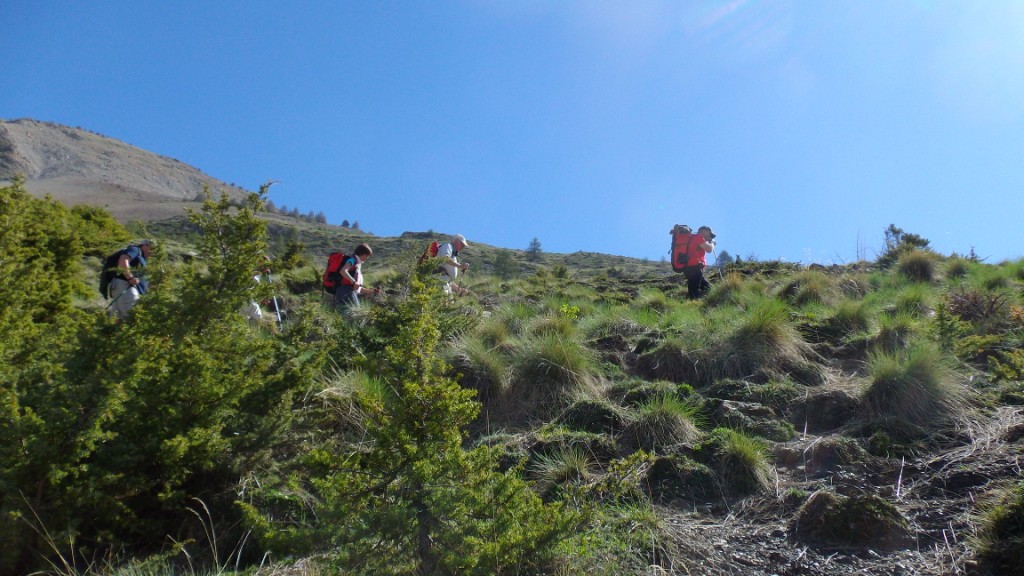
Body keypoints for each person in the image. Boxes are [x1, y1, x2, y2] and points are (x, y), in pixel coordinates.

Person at [107, 239, 154, 320]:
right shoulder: (135, 250)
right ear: (144, 246)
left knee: (118, 319)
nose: (153, 251)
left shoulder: (142, 259)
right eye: (151, 247)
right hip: (125, 286)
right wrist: (130, 277)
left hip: (125, 288)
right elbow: (123, 260)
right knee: (132, 317)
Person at [334, 243, 379, 307]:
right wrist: (354, 281)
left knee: (349, 314)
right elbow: (343, 271)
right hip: (345, 291)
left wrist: (370, 291)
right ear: (362, 253)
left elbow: (356, 287)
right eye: (367, 255)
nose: (367, 258)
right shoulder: (352, 260)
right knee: (355, 312)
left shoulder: (357, 264)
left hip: (345, 291)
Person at [682, 226, 716, 300]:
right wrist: (712, 242)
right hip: (695, 266)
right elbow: (709, 249)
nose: (710, 236)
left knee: (708, 288)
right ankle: (693, 303)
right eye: (710, 234)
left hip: (689, 268)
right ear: (705, 231)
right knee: (694, 291)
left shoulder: (693, 238)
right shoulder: (698, 237)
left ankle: (694, 302)